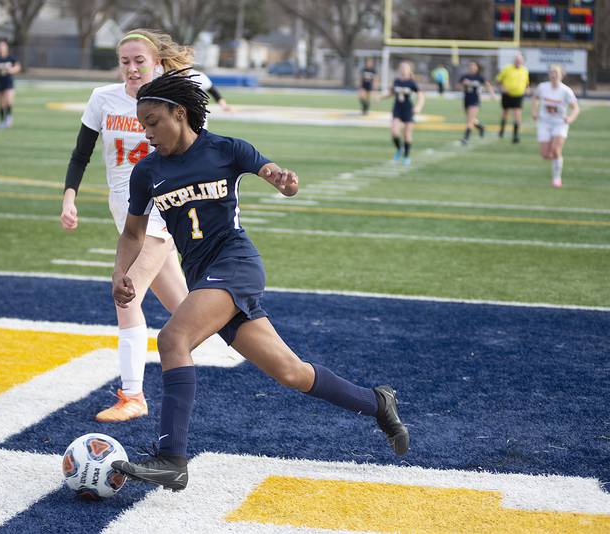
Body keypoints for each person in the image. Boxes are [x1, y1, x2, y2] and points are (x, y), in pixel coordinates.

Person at [109, 70, 409, 491]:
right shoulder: (146, 172)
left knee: (172, 339)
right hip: (204, 278)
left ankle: (172, 458)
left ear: (180, 113)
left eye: (153, 122)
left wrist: (284, 182)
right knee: (291, 373)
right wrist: (121, 273)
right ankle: (377, 403)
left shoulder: (227, 149)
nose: (147, 133)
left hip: (235, 264)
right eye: (142, 124)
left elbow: (272, 172)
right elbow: (132, 233)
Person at [61, 29, 228, 423]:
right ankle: (247, 339)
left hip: (162, 212)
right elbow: (80, 154)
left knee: (126, 293)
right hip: (128, 214)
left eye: (140, 60)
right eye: (125, 61)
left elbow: (200, 150)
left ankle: (133, 395)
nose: (132, 68)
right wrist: (69, 197)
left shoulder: (175, 101)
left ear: (156, 62)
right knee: (186, 308)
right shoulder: (103, 98)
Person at [531, 64, 579, 188]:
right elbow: (535, 98)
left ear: (561, 75)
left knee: (556, 151)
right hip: (544, 122)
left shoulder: (566, 91)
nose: (553, 75)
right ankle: (551, 144)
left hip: (559, 123)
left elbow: (575, 108)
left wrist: (570, 118)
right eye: (552, 72)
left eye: (556, 73)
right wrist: (535, 112)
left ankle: (556, 179)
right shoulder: (542, 87)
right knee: (545, 155)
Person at [383, 61, 425, 165]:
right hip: (397, 109)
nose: (403, 70)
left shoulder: (412, 82)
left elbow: (421, 95)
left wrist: (418, 106)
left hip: (408, 110)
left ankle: (406, 156)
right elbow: (391, 93)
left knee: (407, 134)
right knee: (394, 132)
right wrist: (380, 97)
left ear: (409, 70)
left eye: (406, 68)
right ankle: (399, 149)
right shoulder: (396, 81)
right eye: (402, 67)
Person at [458, 61, 496, 145]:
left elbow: (488, 85)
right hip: (466, 100)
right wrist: (464, 84)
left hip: (475, 100)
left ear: (477, 68)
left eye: (474, 66)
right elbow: (458, 86)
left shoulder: (479, 77)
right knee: (471, 119)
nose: (472, 67)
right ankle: (481, 127)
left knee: (469, 121)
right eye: (471, 66)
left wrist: (492, 94)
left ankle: (466, 138)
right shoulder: (465, 76)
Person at [496, 52, 530, 143]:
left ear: (523, 61)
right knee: (505, 113)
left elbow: (526, 83)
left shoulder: (525, 70)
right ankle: (502, 130)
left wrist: (527, 89)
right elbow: (499, 80)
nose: (518, 61)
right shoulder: (507, 68)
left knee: (517, 114)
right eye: (517, 60)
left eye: (520, 60)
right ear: (514, 60)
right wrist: (502, 88)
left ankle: (515, 135)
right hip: (507, 95)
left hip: (518, 95)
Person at [0, 40, 21, 128]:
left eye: (2, 46)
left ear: (6, 47)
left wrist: (11, 70)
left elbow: (18, 67)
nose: (1, 48)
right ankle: (2, 121)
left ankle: (9, 117)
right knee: (0, 104)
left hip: (9, 82)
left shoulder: (11, 58)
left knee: (9, 100)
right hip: (0, 83)